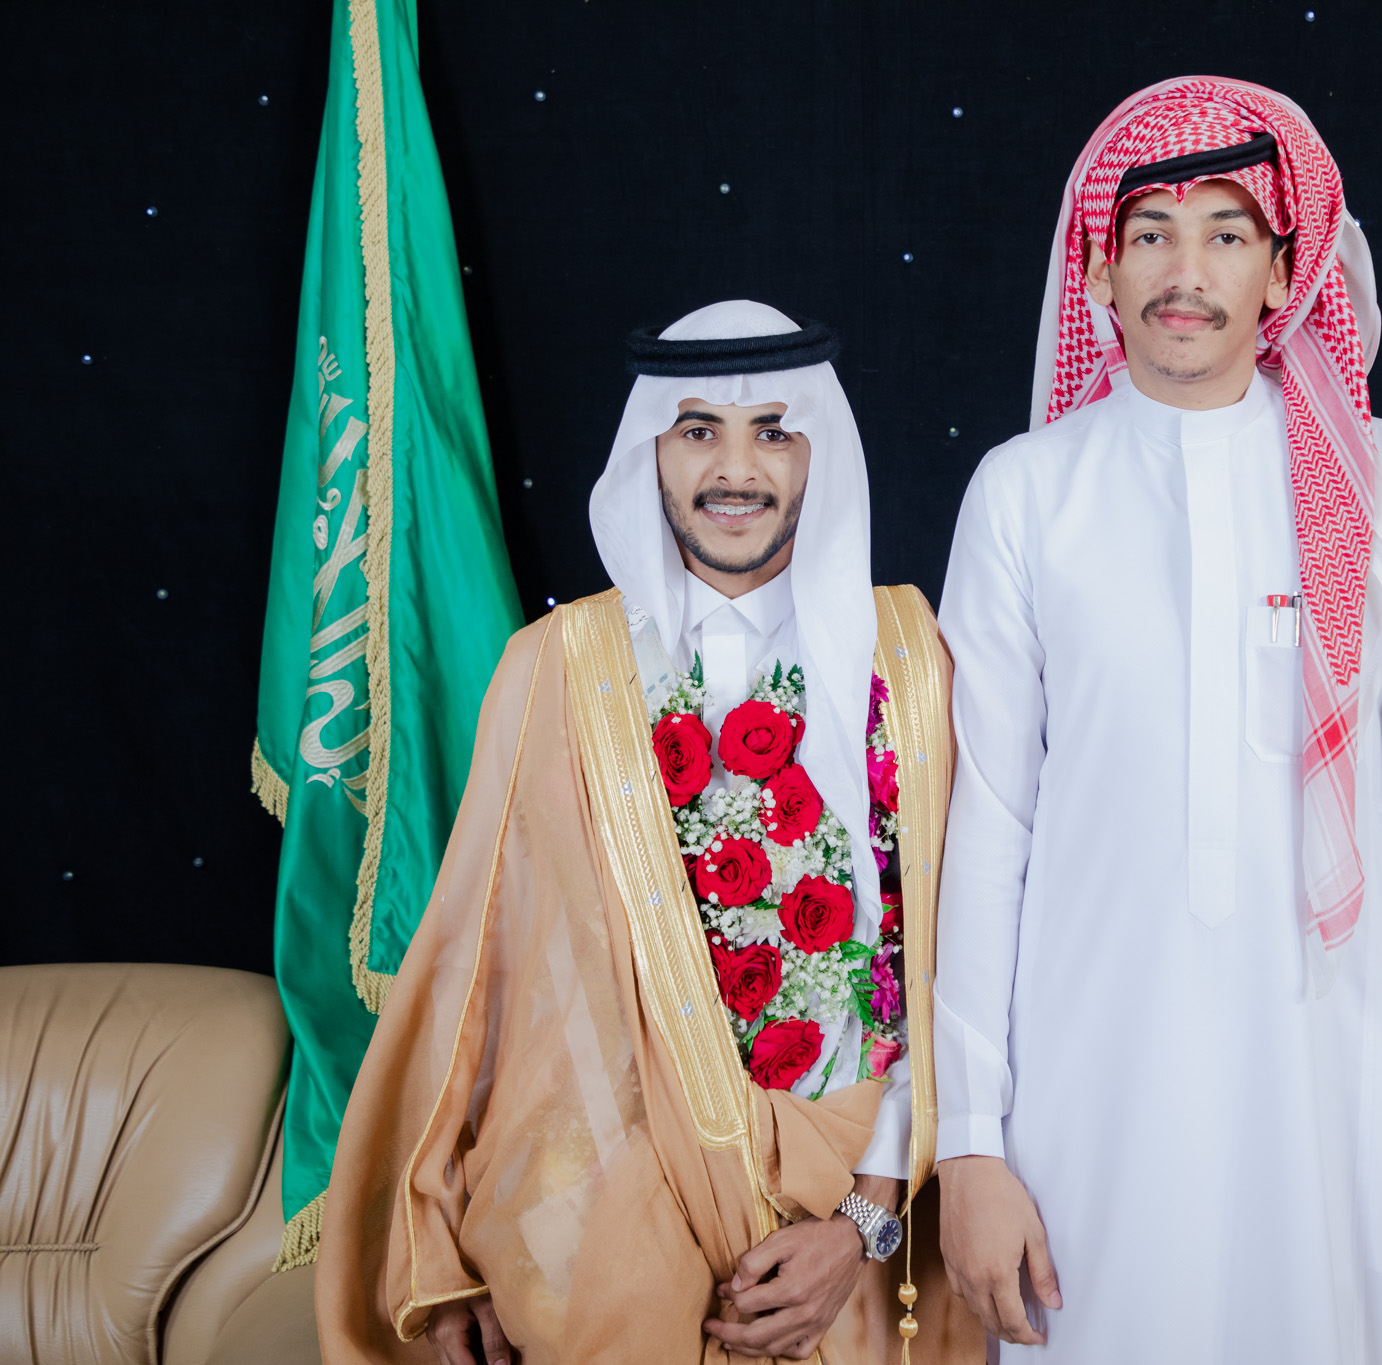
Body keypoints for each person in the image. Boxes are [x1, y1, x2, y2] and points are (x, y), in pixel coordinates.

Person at [932, 78, 1382, 1361]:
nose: (1184, 272)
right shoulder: (1023, 494)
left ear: (1283, 271)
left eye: (1224, 232)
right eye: (1149, 232)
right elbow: (982, 836)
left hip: (1324, 1107)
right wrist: (969, 1143)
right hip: (1081, 1110)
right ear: (1097, 271)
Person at [316, 301, 979, 1364]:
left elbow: (959, 960)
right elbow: (480, 974)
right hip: (618, 1214)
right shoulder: (555, 665)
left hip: (858, 1207)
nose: (736, 468)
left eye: (773, 430)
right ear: (650, 453)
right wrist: (452, 1247)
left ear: (819, 450)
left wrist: (863, 1219)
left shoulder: (907, 654)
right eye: (698, 429)